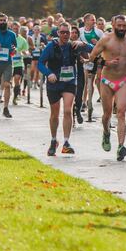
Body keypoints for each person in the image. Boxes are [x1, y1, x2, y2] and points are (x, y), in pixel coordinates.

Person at [87, 15, 126, 161]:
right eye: (119, 26)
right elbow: (92, 56)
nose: (122, 28)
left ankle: (120, 147)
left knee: (121, 113)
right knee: (107, 114)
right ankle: (106, 133)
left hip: (124, 80)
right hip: (107, 81)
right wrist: (105, 62)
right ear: (113, 25)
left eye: (124, 26)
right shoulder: (106, 39)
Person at [38, 23, 88, 156]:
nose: (65, 35)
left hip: (70, 82)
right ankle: (54, 140)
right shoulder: (51, 46)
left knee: (67, 110)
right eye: (63, 32)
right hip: (54, 83)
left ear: (71, 33)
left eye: (68, 32)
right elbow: (40, 63)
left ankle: (66, 142)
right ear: (58, 33)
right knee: (54, 114)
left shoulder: (74, 45)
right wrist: (49, 74)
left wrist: (82, 43)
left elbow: (93, 48)